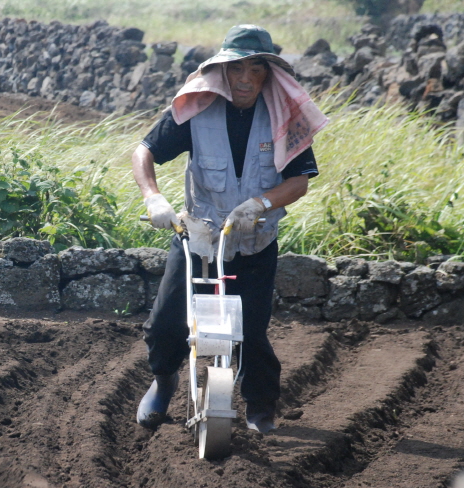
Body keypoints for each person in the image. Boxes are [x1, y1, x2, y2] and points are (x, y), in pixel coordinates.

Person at [132, 24, 327, 433]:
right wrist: (153, 197)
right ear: (222, 71)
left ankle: (259, 407)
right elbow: (144, 151)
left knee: (250, 332)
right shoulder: (196, 109)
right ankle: (164, 384)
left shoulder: (283, 118)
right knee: (166, 325)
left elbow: (299, 181)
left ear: (268, 75)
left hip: (254, 243)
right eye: (237, 68)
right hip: (197, 238)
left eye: (256, 70)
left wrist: (261, 203)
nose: (245, 79)